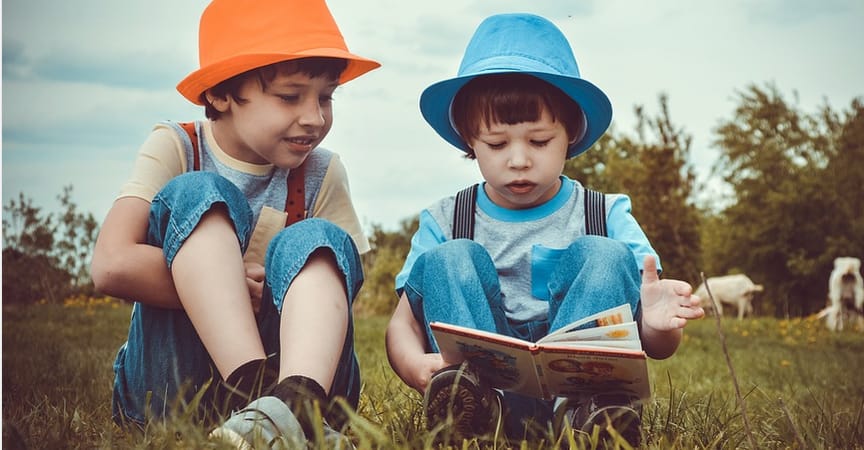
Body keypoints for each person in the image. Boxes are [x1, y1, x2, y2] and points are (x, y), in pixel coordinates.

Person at [385, 13, 705, 444]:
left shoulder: (605, 213)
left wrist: (659, 328)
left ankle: (588, 418)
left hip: (582, 390)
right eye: (497, 144)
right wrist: (414, 366)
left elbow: (656, 345)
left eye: (539, 141)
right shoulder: (445, 219)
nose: (519, 160)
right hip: (484, 390)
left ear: (570, 133)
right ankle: (473, 413)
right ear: (469, 140)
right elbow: (402, 325)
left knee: (605, 254)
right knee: (450, 258)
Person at [89, 0, 379, 447]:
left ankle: (296, 404)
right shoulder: (177, 147)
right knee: (199, 193)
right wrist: (227, 287)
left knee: (318, 240)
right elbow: (111, 264)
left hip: (301, 375)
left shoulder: (322, 172)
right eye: (290, 96)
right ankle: (260, 397)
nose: (315, 117)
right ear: (220, 94)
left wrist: (278, 295)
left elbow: (337, 290)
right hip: (174, 388)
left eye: (326, 96)